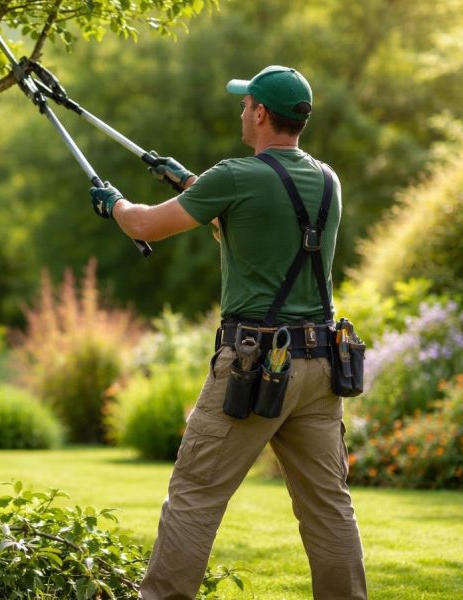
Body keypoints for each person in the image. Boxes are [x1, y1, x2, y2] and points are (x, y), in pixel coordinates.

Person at [89, 65, 368, 599]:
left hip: (255, 366)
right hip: (320, 367)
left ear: (261, 114)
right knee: (329, 508)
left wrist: (115, 204)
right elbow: (251, 232)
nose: (241, 111)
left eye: (246, 105)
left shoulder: (237, 175)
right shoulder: (327, 180)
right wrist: (190, 184)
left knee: (195, 494)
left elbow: (145, 225)